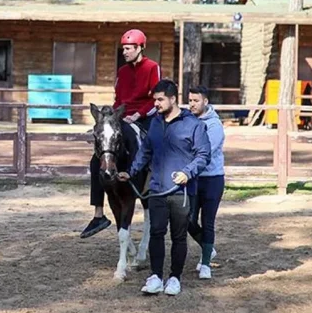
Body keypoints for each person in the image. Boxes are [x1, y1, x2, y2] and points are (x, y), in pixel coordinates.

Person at [118, 79, 210, 296]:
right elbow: (145, 152)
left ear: (173, 99)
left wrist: (187, 172)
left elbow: (203, 155)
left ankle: (175, 278)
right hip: (158, 189)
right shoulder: (155, 124)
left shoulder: (194, 125)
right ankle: (156, 276)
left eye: (160, 100)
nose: (156, 104)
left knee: (178, 236)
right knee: (156, 234)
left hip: (182, 192)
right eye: (154, 100)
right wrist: (130, 172)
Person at [81, 29, 161, 239]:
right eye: (123, 48)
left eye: (128, 48)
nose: (124, 52)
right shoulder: (122, 72)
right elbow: (118, 100)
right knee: (97, 158)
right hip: (122, 118)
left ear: (139, 48)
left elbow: (155, 99)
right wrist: (112, 117)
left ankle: (153, 185)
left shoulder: (153, 68)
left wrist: (137, 115)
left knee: (153, 149)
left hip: (144, 117)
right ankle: (99, 213)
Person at [187, 86, 225, 280]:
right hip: (193, 179)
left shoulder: (214, 125)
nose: (192, 104)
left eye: (196, 101)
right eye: (190, 100)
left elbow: (204, 153)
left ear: (205, 102)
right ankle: (208, 248)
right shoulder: (187, 120)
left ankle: (206, 264)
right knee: (187, 219)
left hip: (212, 179)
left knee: (207, 222)